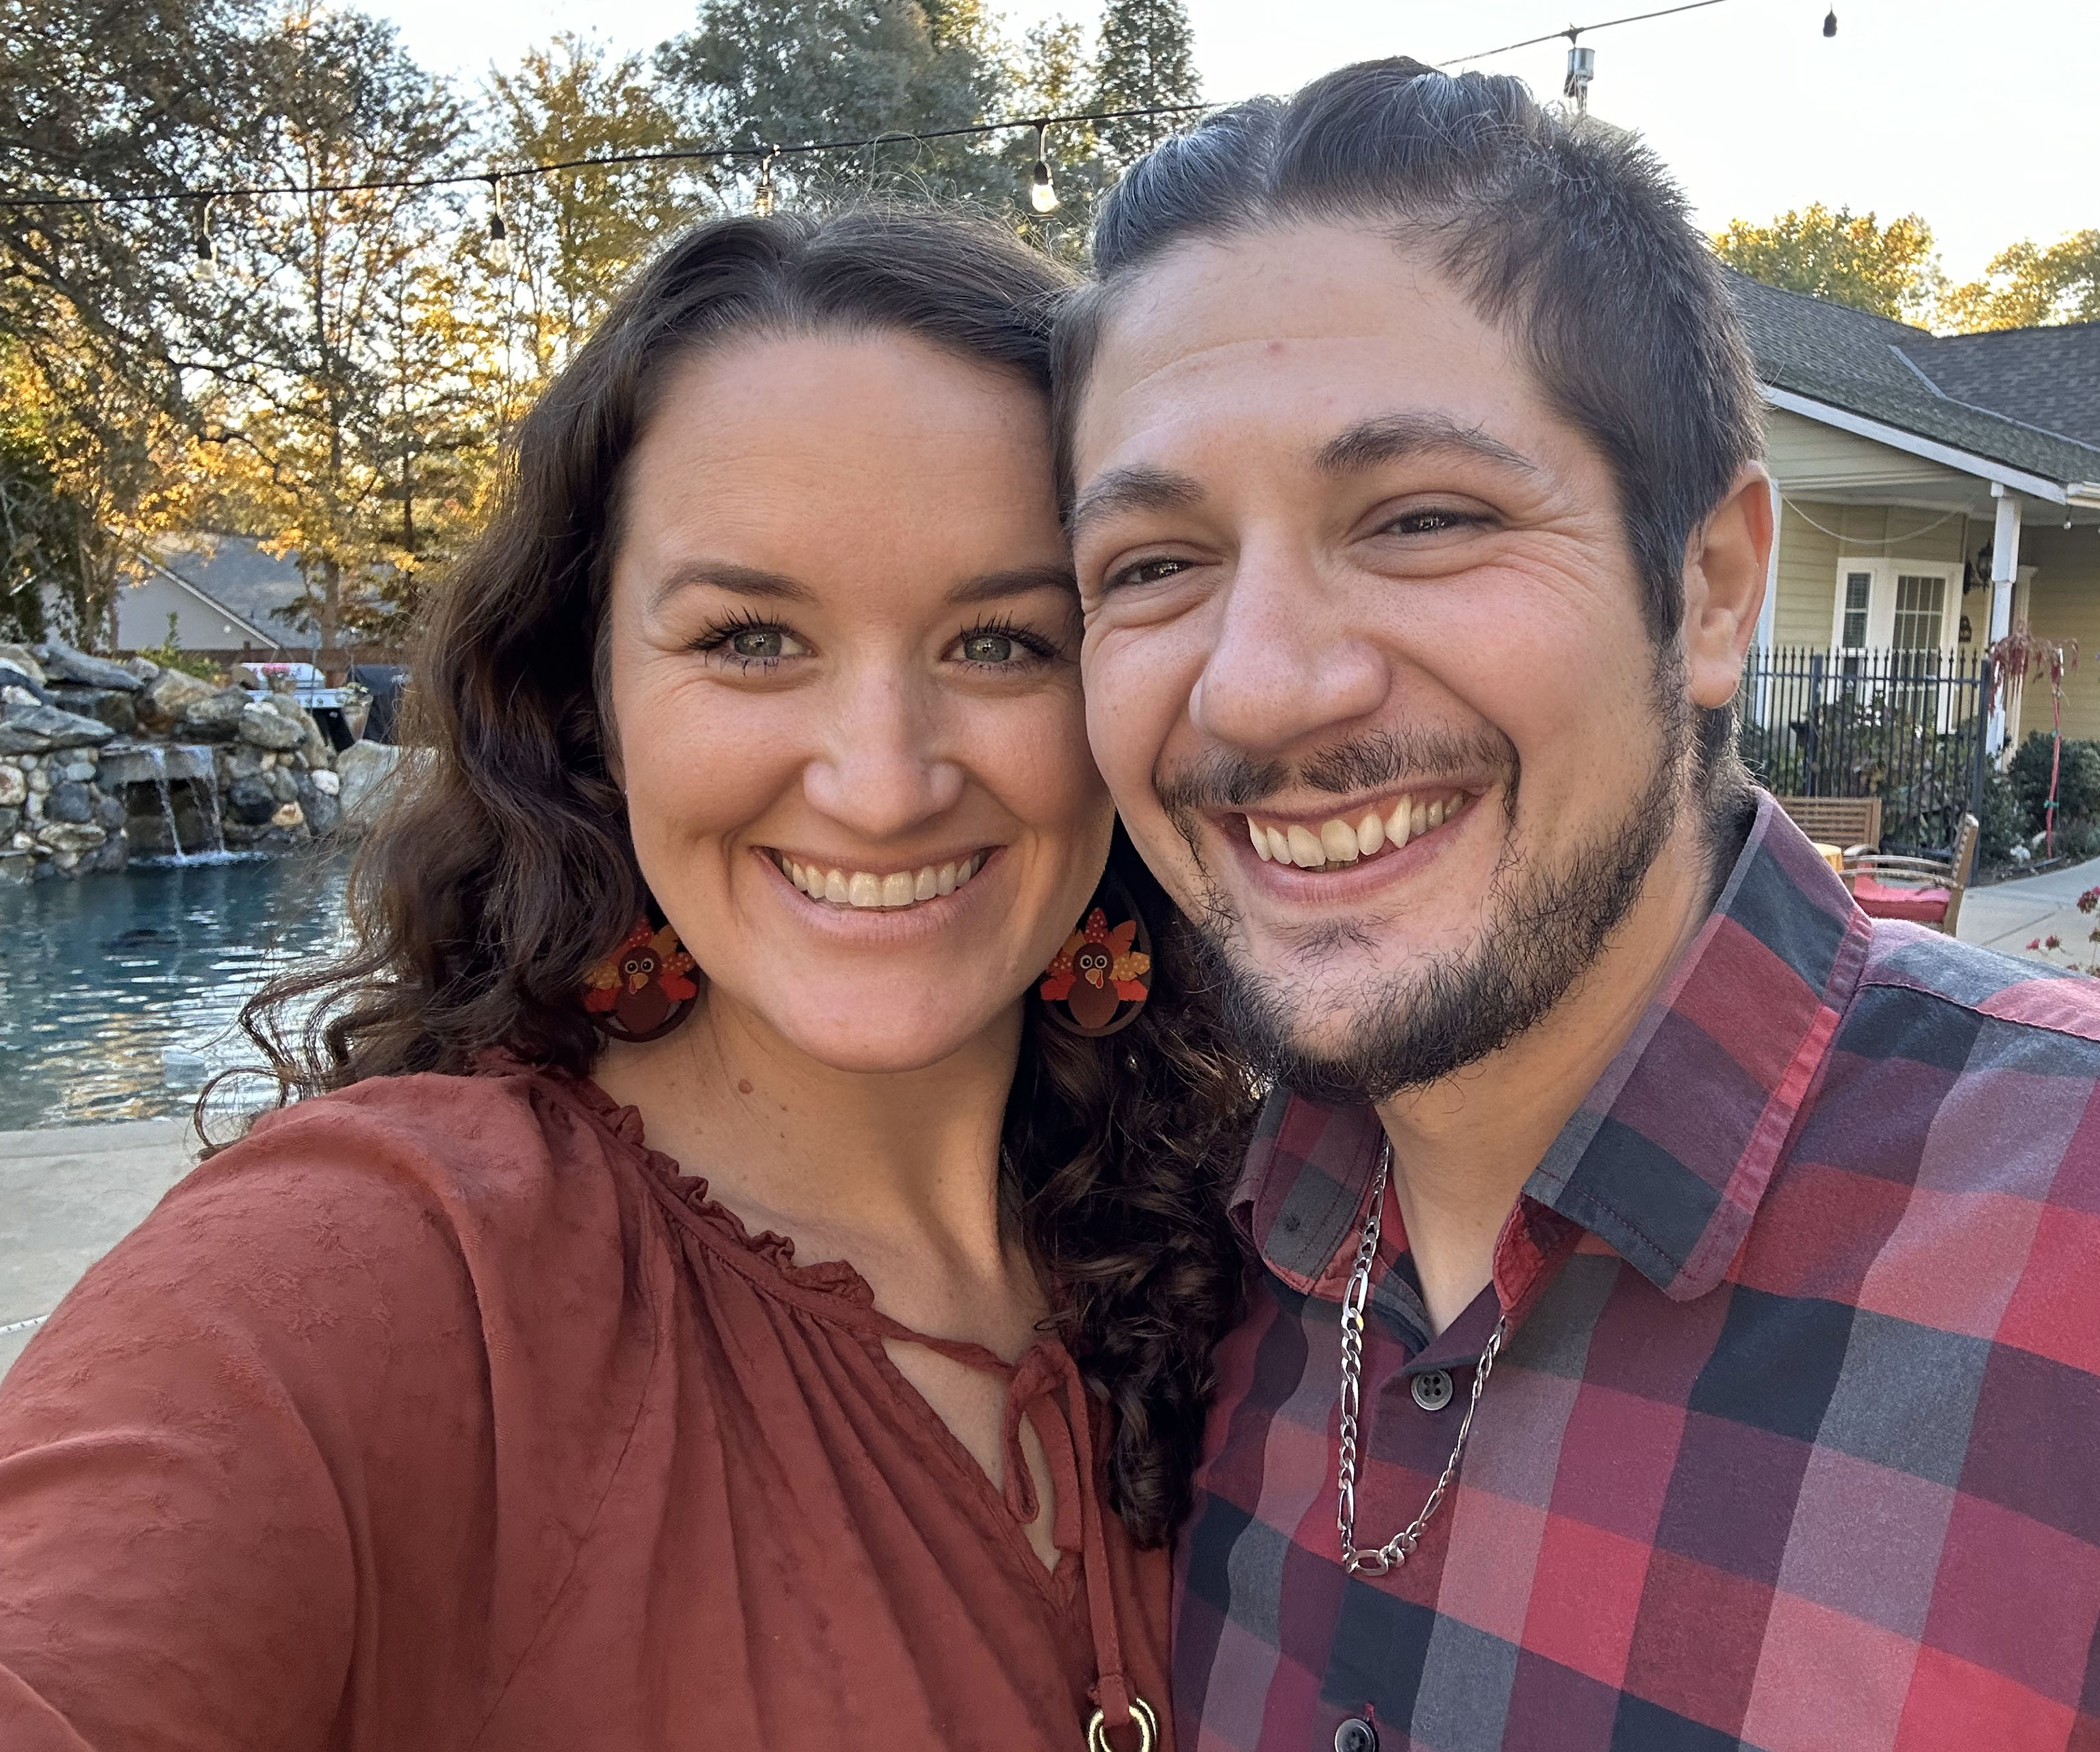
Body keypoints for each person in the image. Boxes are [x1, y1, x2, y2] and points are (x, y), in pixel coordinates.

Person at [1055, 60, 2100, 1752]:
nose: (1265, 686)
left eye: (1424, 518)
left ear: (1715, 584)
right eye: (1151, 564)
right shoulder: (1189, 1271)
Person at [0, 207, 1253, 1751]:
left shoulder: (1261, 1241)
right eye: (749, 637)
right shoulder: (391, 1267)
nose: (881, 782)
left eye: (1004, 642)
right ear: (585, 697)